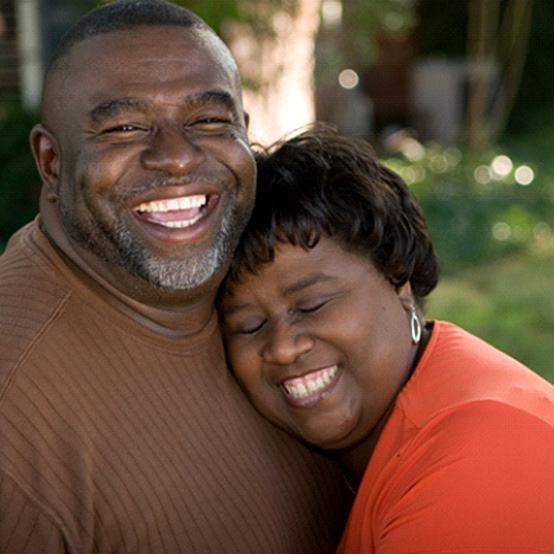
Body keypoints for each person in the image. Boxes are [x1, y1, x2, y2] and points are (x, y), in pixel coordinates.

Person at [0, 3, 350, 552]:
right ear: (52, 162)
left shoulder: (270, 284)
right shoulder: (15, 419)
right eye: (124, 127)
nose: (178, 158)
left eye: (209, 121)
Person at [219, 124, 554, 553]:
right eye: (249, 326)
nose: (284, 347)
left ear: (399, 276)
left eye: (313, 305)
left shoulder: (481, 449)